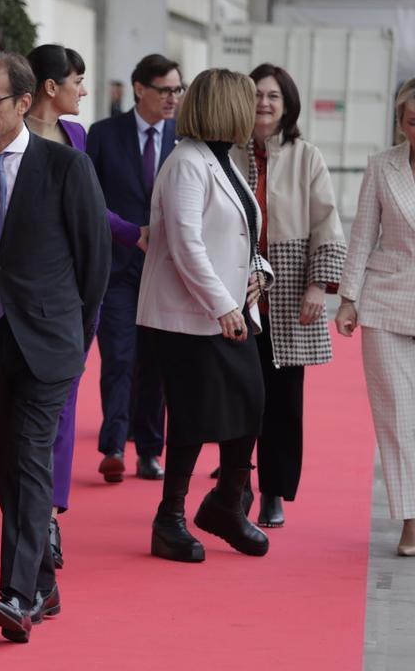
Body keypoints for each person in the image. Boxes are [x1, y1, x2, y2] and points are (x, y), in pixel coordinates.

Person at [0, 51, 109, 642]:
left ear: (22, 102)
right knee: (8, 466)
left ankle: (17, 593)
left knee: (32, 457)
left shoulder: (66, 168)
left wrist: (77, 337)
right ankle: (42, 581)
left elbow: (95, 265)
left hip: (50, 343)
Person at [136, 68, 273, 563]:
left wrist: (263, 272)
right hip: (189, 317)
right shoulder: (186, 163)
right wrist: (224, 305)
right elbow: (186, 245)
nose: (254, 109)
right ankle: (169, 519)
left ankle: (225, 506)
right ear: (225, 108)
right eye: (247, 101)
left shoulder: (225, 160)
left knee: (250, 403)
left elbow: (243, 235)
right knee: (194, 416)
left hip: (229, 311)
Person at [232, 63, 345, 528]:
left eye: (273, 96)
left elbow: (326, 223)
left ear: (287, 104)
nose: (263, 103)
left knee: (283, 401)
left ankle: (273, 492)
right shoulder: (228, 153)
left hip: (288, 293)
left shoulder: (306, 155)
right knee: (237, 397)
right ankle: (235, 485)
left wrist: (319, 284)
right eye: (256, 94)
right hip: (234, 291)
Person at [86, 54, 182, 482]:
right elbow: (91, 199)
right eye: (165, 90)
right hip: (118, 269)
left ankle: (149, 450)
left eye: (178, 90)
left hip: (166, 270)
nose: (173, 98)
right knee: (119, 358)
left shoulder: (185, 137)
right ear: (140, 88)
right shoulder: (104, 135)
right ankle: (112, 446)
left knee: (156, 362)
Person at [335, 77, 415, 556]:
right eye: (412, 121)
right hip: (386, 302)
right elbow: (363, 234)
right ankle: (411, 519)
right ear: (401, 121)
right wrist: (348, 298)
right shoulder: (382, 166)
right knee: (398, 420)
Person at [23, 43, 93, 569]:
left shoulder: (78, 137)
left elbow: (90, 211)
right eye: (76, 81)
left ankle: (48, 516)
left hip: (67, 293)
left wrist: (131, 233)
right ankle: (25, 513)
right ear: (51, 87)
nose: (82, 91)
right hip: (15, 294)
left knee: (64, 403)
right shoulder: (6, 134)